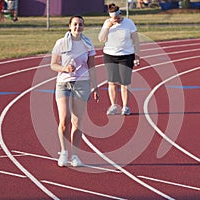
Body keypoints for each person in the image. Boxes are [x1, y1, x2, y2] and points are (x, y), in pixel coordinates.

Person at [51, 16, 99, 167]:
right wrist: (64, 68)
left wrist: (95, 86)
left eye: (80, 25)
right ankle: (64, 152)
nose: (77, 27)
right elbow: (53, 65)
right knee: (64, 119)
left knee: (77, 121)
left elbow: (92, 66)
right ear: (69, 26)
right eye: (75, 24)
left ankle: (75, 155)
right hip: (63, 84)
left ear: (83, 27)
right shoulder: (61, 43)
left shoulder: (88, 43)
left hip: (82, 83)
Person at [98, 3, 140, 116]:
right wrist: (107, 27)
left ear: (120, 14)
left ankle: (125, 107)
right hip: (109, 55)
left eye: (117, 18)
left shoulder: (129, 23)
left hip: (126, 55)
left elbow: (135, 40)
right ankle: (113, 106)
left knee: (125, 83)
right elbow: (101, 39)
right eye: (113, 18)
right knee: (112, 82)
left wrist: (137, 55)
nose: (116, 20)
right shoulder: (107, 23)